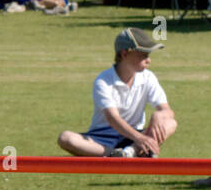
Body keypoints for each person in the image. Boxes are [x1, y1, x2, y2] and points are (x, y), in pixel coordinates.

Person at [56, 28, 177, 157]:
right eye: (143, 55)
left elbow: (167, 111)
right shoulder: (103, 80)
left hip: (135, 135)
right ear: (124, 54)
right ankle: (115, 154)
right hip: (102, 136)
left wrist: (160, 114)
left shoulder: (148, 77)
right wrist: (140, 139)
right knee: (65, 138)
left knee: (171, 123)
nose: (149, 60)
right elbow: (113, 118)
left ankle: (130, 151)